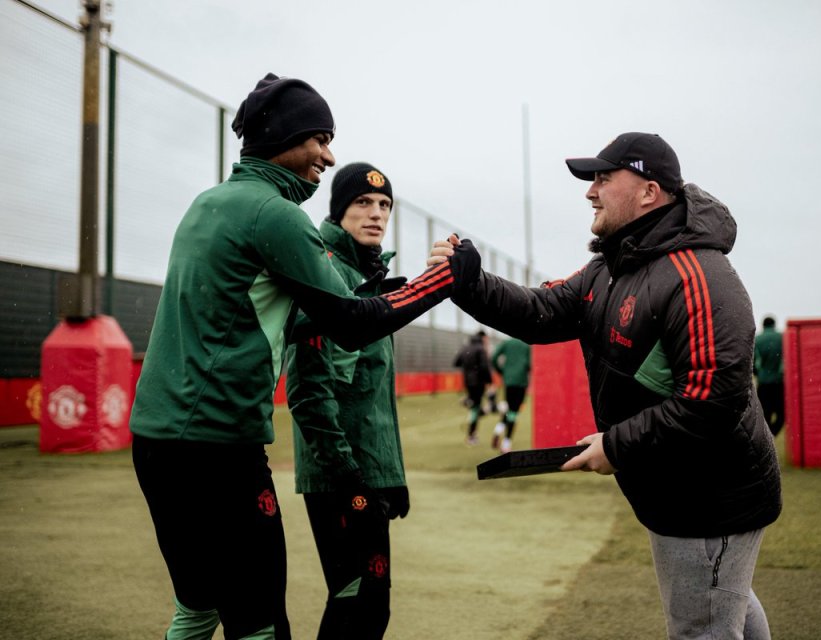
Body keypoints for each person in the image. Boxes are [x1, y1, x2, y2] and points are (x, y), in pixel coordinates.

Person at [129, 73, 478, 640]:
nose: (328, 152)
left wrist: (392, 290)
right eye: (319, 136)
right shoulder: (275, 214)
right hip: (218, 448)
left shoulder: (210, 203)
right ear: (284, 135)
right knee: (262, 625)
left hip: (156, 444)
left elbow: (296, 319)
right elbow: (351, 323)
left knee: (197, 608)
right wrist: (442, 281)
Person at [432, 132, 782, 639]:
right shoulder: (611, 265)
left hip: (711, 495)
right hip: (679, 485)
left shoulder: (698, 273)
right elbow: (541, 311)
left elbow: (714, 400)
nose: (589, 192)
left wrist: (616, 446)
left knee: (703, 625)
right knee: (726, 604)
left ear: (648, 191)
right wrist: (468, 282)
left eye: (602, 178)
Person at [285, 162, 408, 640]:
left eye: (384, 205)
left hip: (367, 471)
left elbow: (370, 400)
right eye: (363, 203)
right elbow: (310, 395)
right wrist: (351, 478)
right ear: (339, 211)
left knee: (365, 607)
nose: (376, 213)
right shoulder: (326, 274)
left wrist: (389, 477)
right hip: (340, 475)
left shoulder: (369, 278)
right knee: (358, 604)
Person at [489, 337, 531, 453]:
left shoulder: (507, 343)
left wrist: (503, 371)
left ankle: (498, 430)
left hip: (509, 381)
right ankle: (506, 443)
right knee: (513, 413)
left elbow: (493, 357)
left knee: (509, 410)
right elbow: (529, 364)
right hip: (521, 382)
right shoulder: (526, 344)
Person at [453, 330, 493, 445]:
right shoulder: (481, 349)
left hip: (468, 382)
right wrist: (489, 381)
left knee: (475, 406)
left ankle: (468, 401)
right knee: (476, 408)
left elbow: (456, 363)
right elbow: (485, 367)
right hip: (478, 383)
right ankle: (471, 436)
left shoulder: (466, 347)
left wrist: (468, 366)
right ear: (482, 338)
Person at [754, 315, 785, 436]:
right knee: (781, 414)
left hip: (763, 384)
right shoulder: (782, 338)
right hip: (778, 383)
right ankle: (772, 434)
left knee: (764, 415)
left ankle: (767, 438)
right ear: (774, 325)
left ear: (763, 325)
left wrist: (759, 374)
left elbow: (752, 362)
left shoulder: (757, 339)